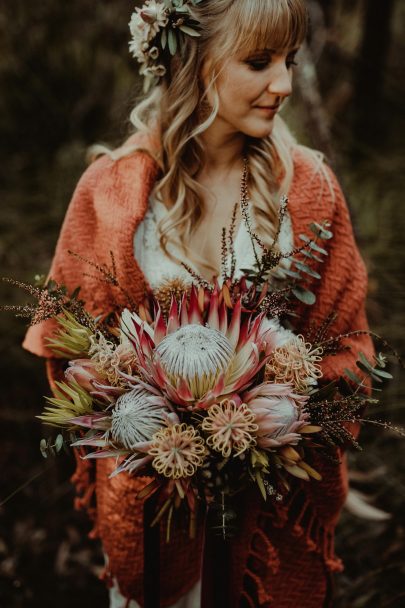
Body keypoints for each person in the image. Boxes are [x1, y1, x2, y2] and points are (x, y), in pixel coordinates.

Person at [22, 0, 374, 606]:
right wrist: (137, 413)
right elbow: (67, 345)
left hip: (272, 512)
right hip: (154, 511)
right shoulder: (112, 191)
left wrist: (276, 410)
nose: (284, 84)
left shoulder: (308, 186)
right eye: (260, 61)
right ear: (192, 61)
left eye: (290, 61)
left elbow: (350, 351)